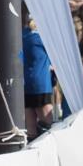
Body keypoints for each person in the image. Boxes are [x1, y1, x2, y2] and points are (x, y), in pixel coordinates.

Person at [22, 10, 55, 138]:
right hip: (41, 84)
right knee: (47, 127)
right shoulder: (42, 39)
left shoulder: (24, 37)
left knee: (31, 130)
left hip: (27, 83)